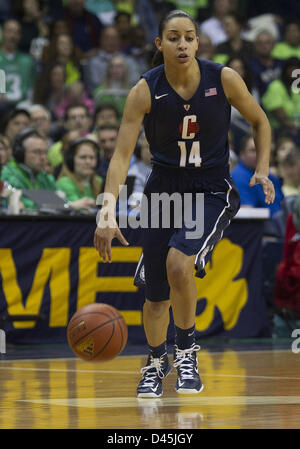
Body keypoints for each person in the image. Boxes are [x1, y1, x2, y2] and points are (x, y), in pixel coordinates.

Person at [94, 10, 275, 398]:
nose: (182, 44)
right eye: (173, 37)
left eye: (189, 37)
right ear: (160, 44)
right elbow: (121, 157)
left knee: (180, 263)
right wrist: (107, 214)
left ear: (197, 42)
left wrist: (261, 170)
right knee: (155, 290)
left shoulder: (222, 77)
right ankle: (156, 362)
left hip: (210, 188)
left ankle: (187, 351)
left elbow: (260, 121)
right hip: (163, 189)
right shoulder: (144, 90)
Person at [0, 128, 57, 210]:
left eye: (45, 152)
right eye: (37, 152)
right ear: (21, 153)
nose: (43, 158)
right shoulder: (8, 174)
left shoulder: (45, 177)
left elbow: (61, 202)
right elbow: (19, 205)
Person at [231, 135, 282, 216]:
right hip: (261, 226)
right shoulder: (238, 176)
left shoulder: (271, 177)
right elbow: (248, 214)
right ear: (242, 155)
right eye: (253, 150)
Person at [56, 136, 103, 210]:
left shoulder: (100, 181)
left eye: (92, 157)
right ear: (71, 160)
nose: (88, 162)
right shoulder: (64, 182)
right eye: (83, 157)